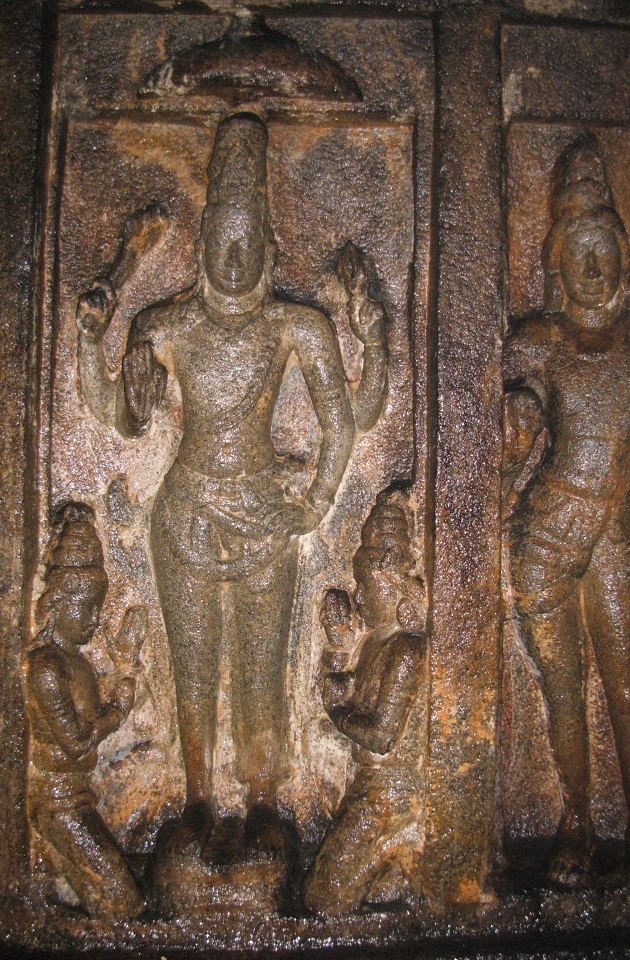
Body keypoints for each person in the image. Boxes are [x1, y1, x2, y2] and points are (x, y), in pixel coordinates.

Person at [76, 113, 388, 852]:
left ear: (270, 249)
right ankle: (194, 801)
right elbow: (121, 415)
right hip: (184, 512)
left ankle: (262, 803)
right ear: (203, 242)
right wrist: (93, 341)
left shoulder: (295, 326)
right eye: (223, 239)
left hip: (264, 516)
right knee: (190, 665)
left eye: (249, 244)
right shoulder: (166, 325)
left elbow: (348, 421)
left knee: (259, 667)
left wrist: (316, 503)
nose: (236, 257)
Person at [503, 135, 630, 888]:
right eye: (577, 252)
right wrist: (515, 425)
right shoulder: (540, 341)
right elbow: (501, 433)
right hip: (544, 540)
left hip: (616, 538)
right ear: (556, 265)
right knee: (563, 689)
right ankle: (577, 822)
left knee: (627, 690)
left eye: (603, 248)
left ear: (625, 252)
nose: (592, 266)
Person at [304, 488, 426, 916]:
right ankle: (391, 862)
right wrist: (337, 644)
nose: (358, 597)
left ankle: (400, 843)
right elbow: (344, 685)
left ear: (394, 590)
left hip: (388, 792)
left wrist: (338, 713)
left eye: (366, 586)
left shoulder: (407, 650)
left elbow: (380, 736)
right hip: (367, 784)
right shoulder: (376, 641)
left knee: (323, 900)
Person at [26, 504, 146, 920]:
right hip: (57, 800)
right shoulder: (46, 668)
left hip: (80, 796)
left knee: (125, 888)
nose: (95, 619)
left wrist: (125, 666)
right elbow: (76, 743)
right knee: (123, 901)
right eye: (87, 608)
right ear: (57, 603)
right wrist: (117, 711)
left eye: (98, 607)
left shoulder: (75, 662)